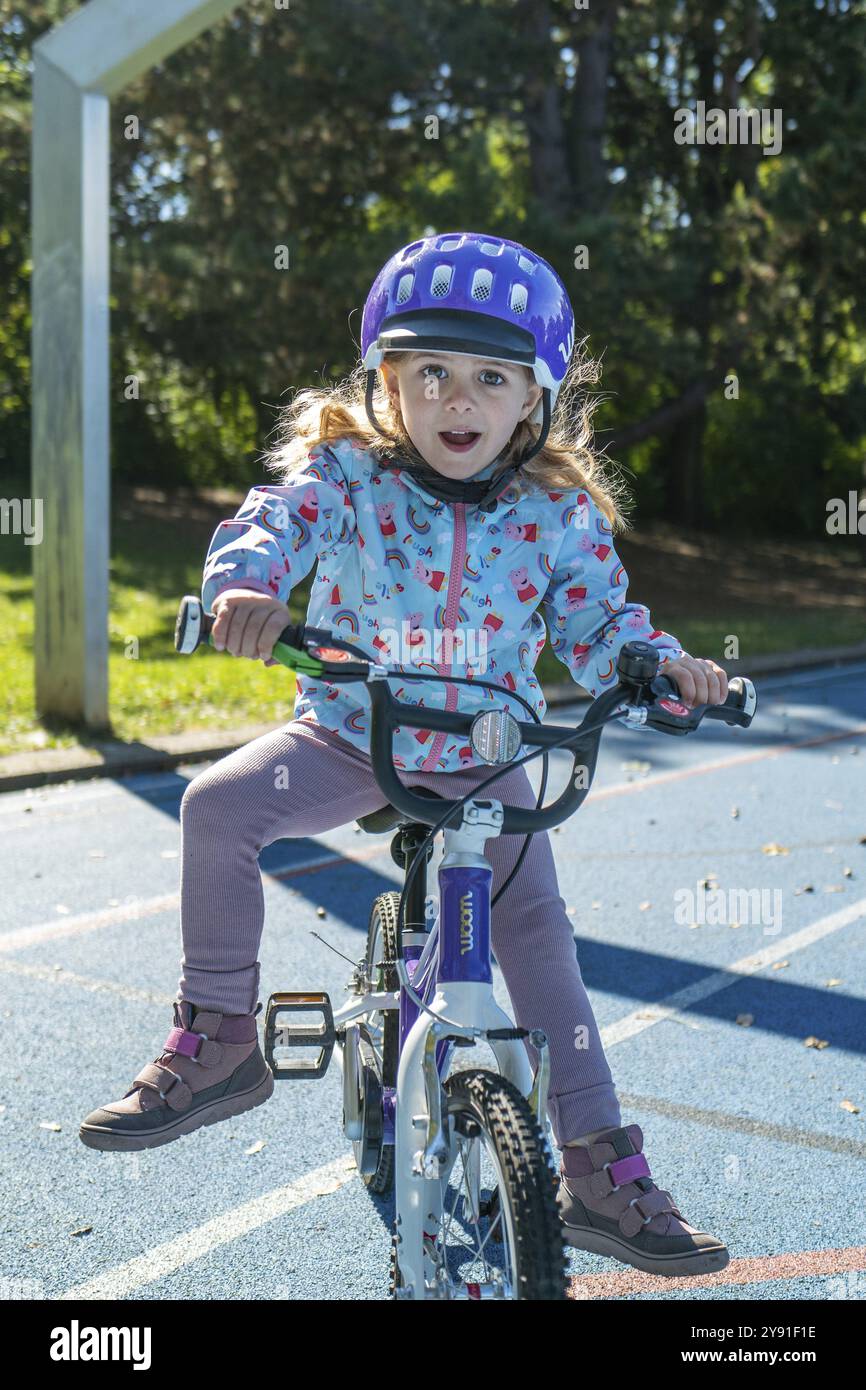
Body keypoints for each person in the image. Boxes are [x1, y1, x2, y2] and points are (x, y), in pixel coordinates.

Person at [80, 231, 729, 1277]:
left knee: (537, 934)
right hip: (349, 734)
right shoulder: (348, 477)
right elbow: (273, 520)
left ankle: (597, 1166)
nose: (455, 398)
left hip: (484, 753)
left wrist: (660, 666)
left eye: (487, 377)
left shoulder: (553, 516)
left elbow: (604, 623)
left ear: (532, 400)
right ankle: (220, 1039)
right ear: (388, 384)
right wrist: (247, 588)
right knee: (216, 808)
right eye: (429, 372)